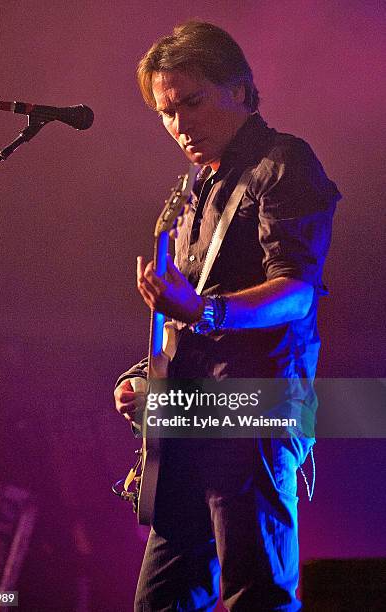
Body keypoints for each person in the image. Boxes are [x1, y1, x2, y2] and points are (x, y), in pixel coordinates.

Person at [114, 21, 341, 611]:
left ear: (238, 89)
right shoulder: (193, 191)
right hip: (190, 415)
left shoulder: (284, 161)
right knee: (159, 600)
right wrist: (147, 376)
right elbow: (186, 313)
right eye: (166, 112)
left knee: (255, 596)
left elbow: (296, 292)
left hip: (254, 407)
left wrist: (203, 309)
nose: (179, 125)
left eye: (192, 102)